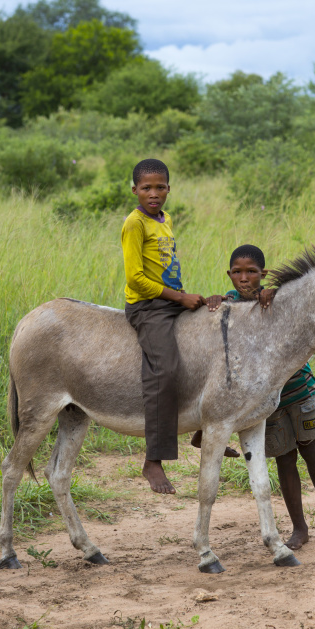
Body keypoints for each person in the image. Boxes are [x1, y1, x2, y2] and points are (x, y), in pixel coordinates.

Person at [195, 244, 315, 549]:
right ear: (229, 275)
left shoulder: (277, 297)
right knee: (285, 460)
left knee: (312, 451)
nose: (243, 278)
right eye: (237, 272)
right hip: (260, 399)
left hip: (298, 388)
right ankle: (299, 527)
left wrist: (271, 295)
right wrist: (216, 301)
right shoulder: (230, 303)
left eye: (251, 272)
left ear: (265, 274)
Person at [122, 158, 206, 495]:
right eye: (146, 188)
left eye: (159, 188)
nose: (153, 194)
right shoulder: (134, 224)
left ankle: (203, 430)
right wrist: (178, 299)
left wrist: (185, 298)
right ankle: (153, 459)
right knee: (165, 369)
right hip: (148, 307)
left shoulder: (165, 218)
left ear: (169, 190)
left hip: (172, 300)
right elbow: (136, 279)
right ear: (135, 191)